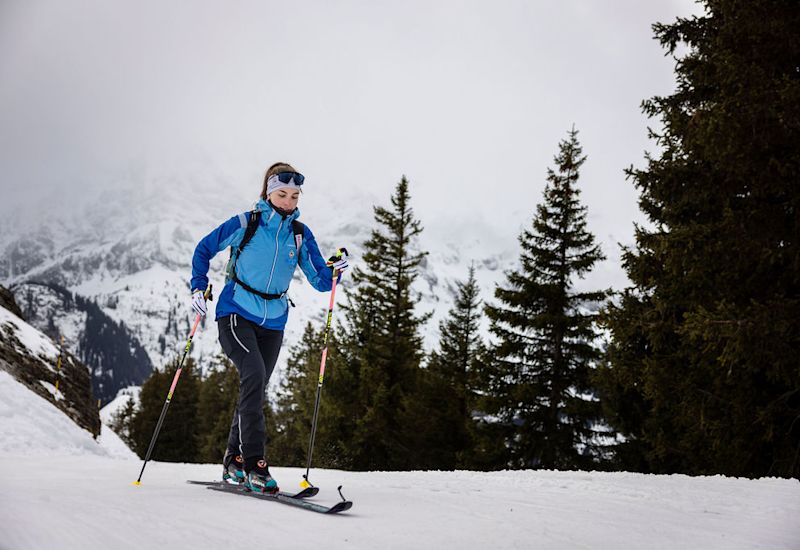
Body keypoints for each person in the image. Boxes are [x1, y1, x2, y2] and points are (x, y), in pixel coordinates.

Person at [189, 162, 348, 494]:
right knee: (254, 376)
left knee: (254, 387)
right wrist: (198, 286)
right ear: (268, 192)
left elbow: (320, 279)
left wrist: (334, 271)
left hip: (274, 320)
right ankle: (255, 466)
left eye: (294, 195)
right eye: (282, 194)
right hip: (235, 312)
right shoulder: (246, 223)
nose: (289, 201)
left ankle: (233, 460)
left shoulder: (300, 234)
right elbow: (204, 249)